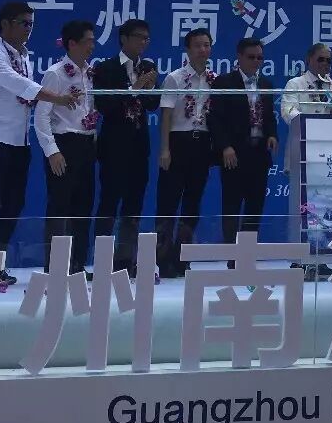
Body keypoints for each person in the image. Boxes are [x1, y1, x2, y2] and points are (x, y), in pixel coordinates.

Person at [0, 2, 78, 287]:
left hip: (19, 141)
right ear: (5, 24)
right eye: (23, 23)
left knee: (14, 203)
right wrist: (58, 98)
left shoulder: (23, 56)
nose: (29, 29)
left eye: (31, 24)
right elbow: (21, 86)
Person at [92, 19, 160, 278]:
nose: (144, 42)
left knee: (134, 204)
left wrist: (149, 89)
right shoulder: (106, 68)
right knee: (109, 203)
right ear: (124, 39)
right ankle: (102, 262)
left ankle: (125, 260)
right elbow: (105, 106)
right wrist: (135, 88)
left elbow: (152, 105)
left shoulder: (148, 67)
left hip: (139, 146)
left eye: (147, 38)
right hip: (114, 146)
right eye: (139, 37)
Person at [35, 19, 98, 279]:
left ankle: (78, 265)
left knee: (83, 206)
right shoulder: (56, 73)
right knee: (60, 206)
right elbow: (41, 116)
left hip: (87, 144)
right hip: (64, 144)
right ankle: (55, 267)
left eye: (93, 41)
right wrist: (52, 151)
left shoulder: (91, 73)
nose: (92, 46)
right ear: (72, 43)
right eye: (88, 41)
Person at [154, 28, 215, 279]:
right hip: (178, 142)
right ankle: (162, 259)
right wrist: (165, 149)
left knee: (193, 202)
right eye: (198, 45)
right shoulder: (175, 78)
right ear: (188, 50)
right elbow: (166, 115)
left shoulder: (214, 80)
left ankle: (182, 257)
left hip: (202, 144)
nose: (203, 50)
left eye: (207, 45)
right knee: (168, 202)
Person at [281, 42, 332, 278]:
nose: (325, 64)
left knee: (325, 211)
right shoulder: (295, 84)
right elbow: (288, 112)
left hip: (328, 158)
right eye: (321, 59)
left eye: (329, 60)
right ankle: (299, 260)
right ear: (309, 60)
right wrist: (313, 125)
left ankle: (320, 258)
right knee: (301, 210)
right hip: (302, 153)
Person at [211, 37, 278, 255]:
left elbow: (270, 117)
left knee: (255, 206)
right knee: (231, 205)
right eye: (251, 57)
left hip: (259, 152)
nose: (256, 61)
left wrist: (272, 135)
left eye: (260, 58)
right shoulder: (224, 82)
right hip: (234, 153)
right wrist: (225, 146)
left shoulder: (266, 84)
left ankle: (247, 255)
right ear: (239, 57)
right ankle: (232, 255)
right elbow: (216, 119)